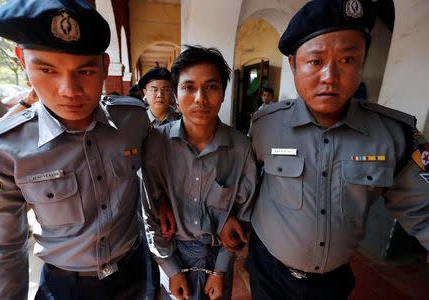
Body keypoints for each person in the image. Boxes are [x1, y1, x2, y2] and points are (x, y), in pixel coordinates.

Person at [221, 0, 429, 299]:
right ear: (293, 64)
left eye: (347, 60)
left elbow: (424, 210)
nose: (330, 76)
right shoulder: (265, 125)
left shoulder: (394, 135)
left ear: (362, 61)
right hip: (269, 272)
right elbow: (248, 183)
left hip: (332, 282)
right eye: (316, 61)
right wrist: (233, 217)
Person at [0, 1, 154, 299]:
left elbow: (155, 176)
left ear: (103, 66)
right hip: (67, 287)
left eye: (84, 71)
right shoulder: (1, 150)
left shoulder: (133, 119)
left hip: (136, 272)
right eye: (47, 69)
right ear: (22, 59)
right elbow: (0, 252)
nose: (68, 90)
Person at [141, 45, 257, 300]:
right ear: (176, 93)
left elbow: (243, 214)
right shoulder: (157, 143)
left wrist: (221, 269)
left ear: (224, 93)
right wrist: (171, 269)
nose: (200, 99)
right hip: (172, 253)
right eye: (189, 87)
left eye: (211, 87)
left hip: (218, 257)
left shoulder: (240, 148)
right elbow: (150, 213)